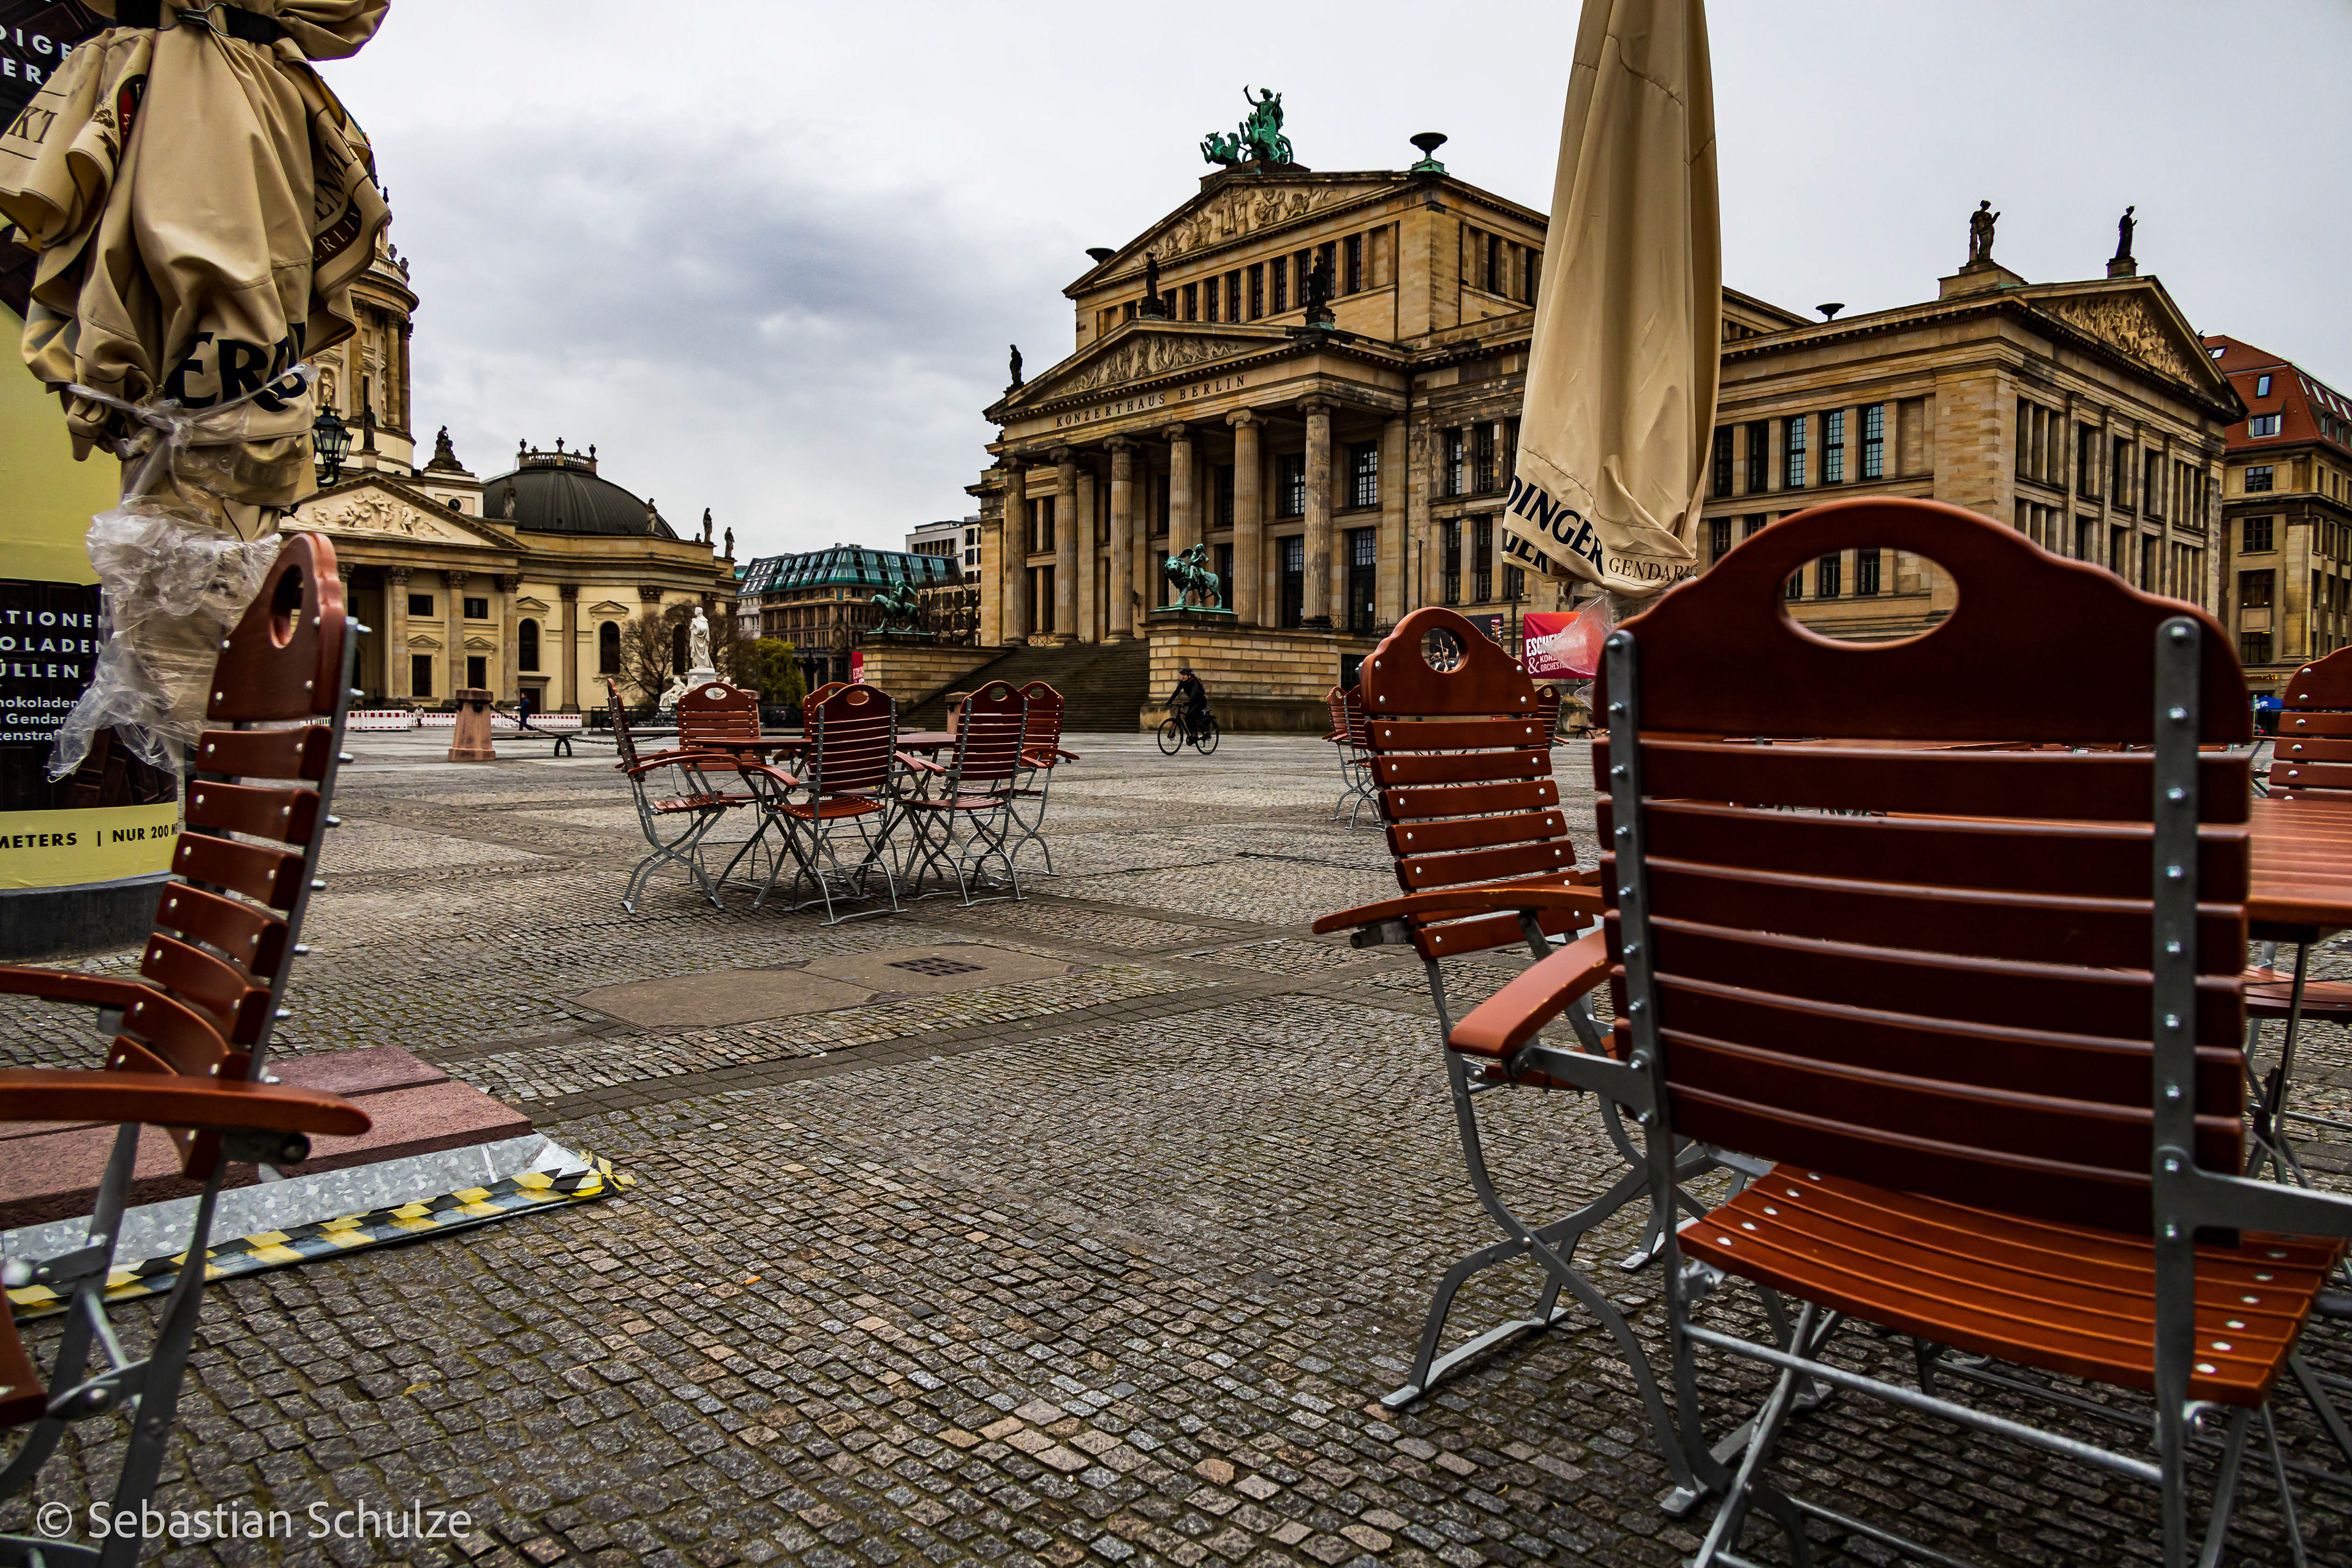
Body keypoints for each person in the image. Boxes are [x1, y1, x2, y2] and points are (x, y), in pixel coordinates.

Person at [1169, 667, 1208, 741]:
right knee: (1187, 718)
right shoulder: (1182, 683)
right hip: (1193, 702)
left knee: (1191, 715)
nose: (1182, 677)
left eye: (1184, 675)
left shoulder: (1194, 682)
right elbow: (1176, 692)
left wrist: (1188, 703)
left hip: (1201, 702)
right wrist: (1169, 702)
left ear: (1189, 676)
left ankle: (1196, 732)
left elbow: (1194, 693)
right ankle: (1193, 734)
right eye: (1182, 675)